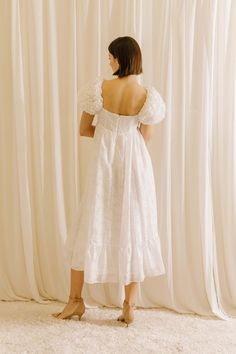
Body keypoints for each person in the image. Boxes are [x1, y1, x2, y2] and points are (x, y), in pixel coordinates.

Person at [52, 36, 166, 326]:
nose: (109, 60)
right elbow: (146, 137)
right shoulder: (147, 95)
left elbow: (84, 128)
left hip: (104, 164)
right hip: (135, 165)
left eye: (111, 56)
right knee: (133, 225)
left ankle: (75, 302)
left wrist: (107, 138)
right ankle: (129, 307)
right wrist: (125, 141)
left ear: (121, 58)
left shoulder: (99, 89)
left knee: (90, 222)